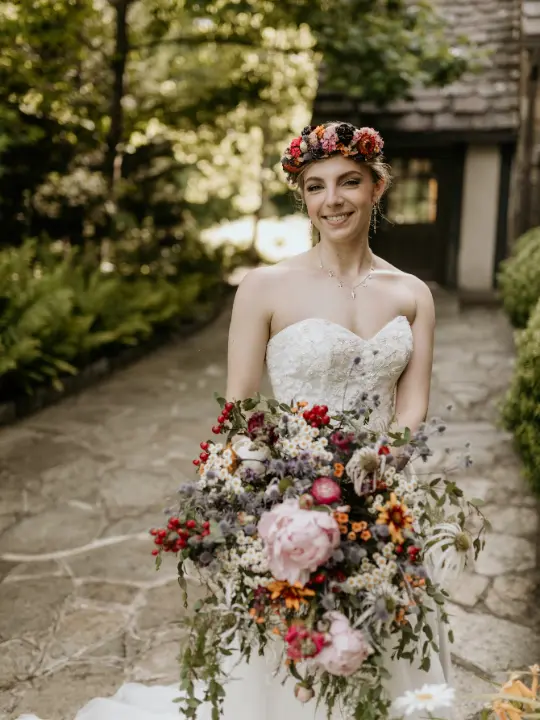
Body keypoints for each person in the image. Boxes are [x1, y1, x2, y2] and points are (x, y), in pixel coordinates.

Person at [17, 121, 451, 720]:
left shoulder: (413, 294)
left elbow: (412, 407)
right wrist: (278, 501)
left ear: (378, 188)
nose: (334, 199)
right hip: (292, 505)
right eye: (316, 185)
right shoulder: (264, 286)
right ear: (302, 196)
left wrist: (382, 467)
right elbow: (241, 408)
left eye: (350, 182)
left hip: (382, 501)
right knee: (293, 658)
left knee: (382, 643)